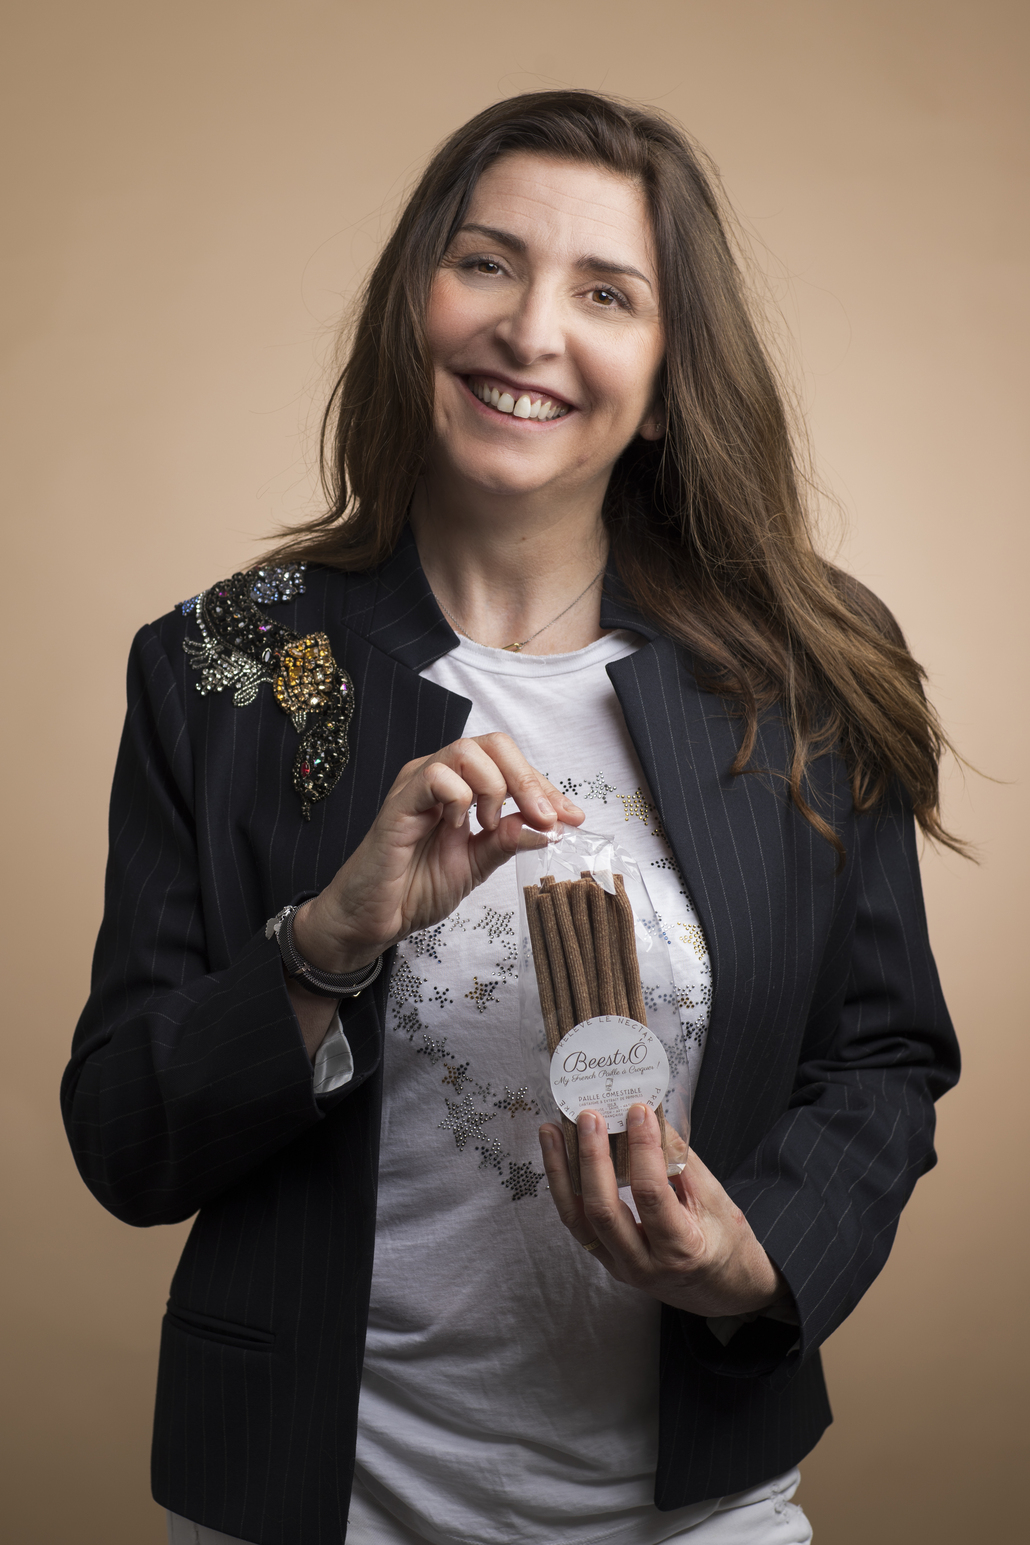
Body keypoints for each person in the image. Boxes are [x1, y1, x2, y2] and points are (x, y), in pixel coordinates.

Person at [62, 91, 960, 1545]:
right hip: (305, 1505)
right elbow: (121, 1136)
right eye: (484, 263)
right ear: (413, 302)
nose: (528, 330)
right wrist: (322, 946)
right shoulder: (225, 663)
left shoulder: (802, 663)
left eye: (606, 293)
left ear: (667, 376)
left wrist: (751, 1258)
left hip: (697, 1512)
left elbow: (880, 1057)